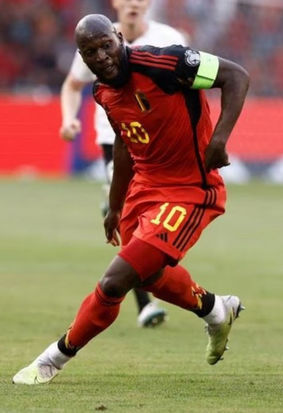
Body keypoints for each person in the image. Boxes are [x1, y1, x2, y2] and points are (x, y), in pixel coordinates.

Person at [13, 13, 250, 385]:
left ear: (119, 38)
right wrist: (116, 203)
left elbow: (236, 76)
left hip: (190, 189)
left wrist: (219, 139)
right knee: (149, 275)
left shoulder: (167, 63)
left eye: (106, 45)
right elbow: (124, 142)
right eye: (90, 52)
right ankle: (216, 309)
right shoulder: (102, 92)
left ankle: (51, 360)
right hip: (143, 189)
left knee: (114, 282)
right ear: (82, 57)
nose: (101, 56)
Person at [59, 0, 187, 328]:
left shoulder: (169, 38)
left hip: (160, 145)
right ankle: (145, 301)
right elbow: (72, 85)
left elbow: (187, 83)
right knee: (128, 211)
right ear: (115, 3)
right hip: (117, 141)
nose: (133, 3)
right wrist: (68, 119)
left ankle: (157, 279)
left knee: (151, 216)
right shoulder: (94, 41)